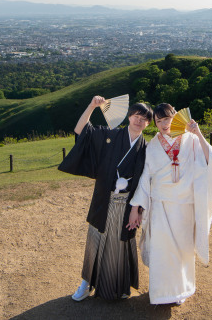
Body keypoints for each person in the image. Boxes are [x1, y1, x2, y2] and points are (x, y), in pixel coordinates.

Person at [58, 96, 153, 301]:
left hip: (128, 204)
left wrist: (137, 209)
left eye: (144, 119)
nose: (139, 120)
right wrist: (91, 106)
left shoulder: (147, 149)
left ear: (148, 124)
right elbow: (81, 130)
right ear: (129, 117)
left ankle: (118, 286)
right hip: (104, 199)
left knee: (120, 244)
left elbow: (147, 182)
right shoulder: (111, 135)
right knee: (95, 240)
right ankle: (86, 283)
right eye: (136, 115)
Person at [127, 103, 212, 305]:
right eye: (159, 121)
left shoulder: (191, 139)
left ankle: (180, 291)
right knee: (162, 250)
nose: (163, 124)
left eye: (167, 118)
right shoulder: (152, 145)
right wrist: (136, 208)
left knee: (182, 250)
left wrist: (198, 132)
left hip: (184, 205)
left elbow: (209, 158)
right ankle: (160, 293)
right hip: (160, 205)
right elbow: (145, 178)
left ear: (175, 117)